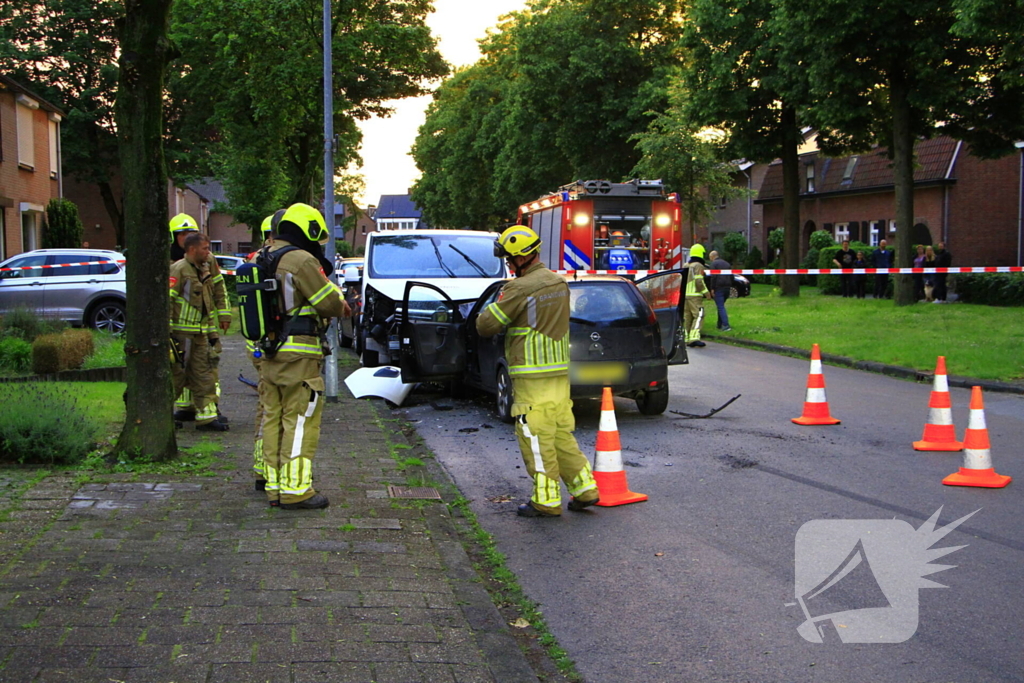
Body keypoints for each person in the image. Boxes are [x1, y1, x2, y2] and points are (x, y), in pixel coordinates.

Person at [476, 225, 599, 518]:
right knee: (560, 435)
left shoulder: (519, 288)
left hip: (531, 375)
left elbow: (485, 325)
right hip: (558, 373)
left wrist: (499, 302)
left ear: (520, 257)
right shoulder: (558, 283)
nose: (507, 263)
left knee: (534, 435)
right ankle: (585, 490)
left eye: (509, 258)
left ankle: (545, 501)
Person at [260, 203, 349, 509]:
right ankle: (296, 490)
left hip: (269, 352)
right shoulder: (301, 260)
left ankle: (274, 486)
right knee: (300, 421)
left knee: (273, 420)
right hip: (299, 354)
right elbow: (329, 305)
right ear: (308, 230)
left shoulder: (265, 256)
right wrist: (339, 298)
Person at [169, 213, 231, 423]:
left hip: (202, 328)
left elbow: (217, 288)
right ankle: (179, 410)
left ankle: (207, 412)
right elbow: (167, 299)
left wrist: (223, 314)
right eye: (182, 234)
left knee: (205, 371)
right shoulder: (174, 265)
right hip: (180, 330)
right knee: (178, 373)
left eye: (191, 233)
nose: (186, 237)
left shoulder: (207, 261)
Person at [249, 210, 285, 489]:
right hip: (279, 346)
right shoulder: (280, 260)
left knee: (268, 410)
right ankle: (267, 470)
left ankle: (264, 469)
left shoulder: (256, 261)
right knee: (273, 411)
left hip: (260, 345)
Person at [683, 244, 713, 347]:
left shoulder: (686, 265)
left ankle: (685, 338)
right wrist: (706, 293)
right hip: (695, 295)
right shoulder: (698, 266)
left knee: (687, 317)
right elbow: (699, 281)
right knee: (699, 315)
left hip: (685, 295)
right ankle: (694, 338)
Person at [707, 250, 733, 331]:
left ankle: (726, 325)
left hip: (718, 288)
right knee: (720, 306)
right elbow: (731, 276)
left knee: (720, 307)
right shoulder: (727, 263)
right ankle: (719, 324)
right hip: (727, 288)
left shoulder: (714, 264)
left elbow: (713, 277)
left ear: (712, 257)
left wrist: (712, 288)